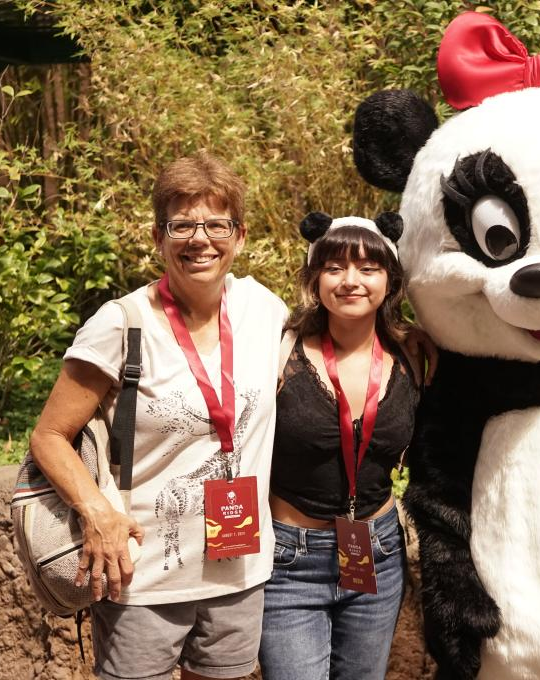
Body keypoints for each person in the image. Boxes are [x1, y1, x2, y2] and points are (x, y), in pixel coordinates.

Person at [29, 152, 288, 680]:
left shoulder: (264, 309)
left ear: (239, 236)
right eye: (182, 225)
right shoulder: (120, 323)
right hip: (140, 575)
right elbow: (50, 436)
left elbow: (340, 337)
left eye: (216, 223)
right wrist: (97, 514)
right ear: (158, 237)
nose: (200, 239)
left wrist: (405, 336)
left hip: (239, 573)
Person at [259, 215, 421, 680]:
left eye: (369, 268)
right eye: (334, 267)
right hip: (290, 561)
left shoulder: (416, 354)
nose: (351, 281)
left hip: (378, 551)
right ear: (315, 279)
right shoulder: (278, 351)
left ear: (390, 281)